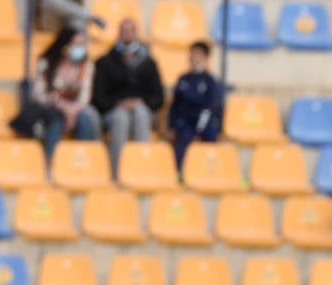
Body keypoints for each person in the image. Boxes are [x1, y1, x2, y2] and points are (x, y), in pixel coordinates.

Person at [93, 19, 165, 177]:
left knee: (141, 113)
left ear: (136, 33)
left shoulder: (149, 63)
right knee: (121, 117)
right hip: (113, 110)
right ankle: (116, 172)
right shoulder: (105, 62)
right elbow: (98, 98)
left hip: (141, 109)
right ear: (118, 34)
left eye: (130, 30)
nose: (127, 34)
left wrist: (140, 101)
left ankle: (140, 169)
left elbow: (158, 98)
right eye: (123, 30)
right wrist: (119, 103)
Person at [29, 27, 101, 161]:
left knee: (85, 119)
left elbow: (85, 96)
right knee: (56, 119)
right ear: (64, 45)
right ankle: (51, 162)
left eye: (82, 44)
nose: (80, 48)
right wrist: (61, 105)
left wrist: (72, 110)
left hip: (76, 109)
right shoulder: (46, 63)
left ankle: (83, 162)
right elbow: (38, 94)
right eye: (76, 44)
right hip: (51, 107)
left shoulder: (86, 65)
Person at [168, 41, 224, 170]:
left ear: (206, 57)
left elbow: (210, 107)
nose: (193, 57)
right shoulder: (183, 79)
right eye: (192, 54)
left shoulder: (210, 81)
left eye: (197, 54)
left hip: (203, 122)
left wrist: (199, 129)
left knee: (211, 134)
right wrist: (171, 125)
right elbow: (175, 105)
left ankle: (212, 172)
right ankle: (179, 172)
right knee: (183, 136)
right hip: (185, 122)